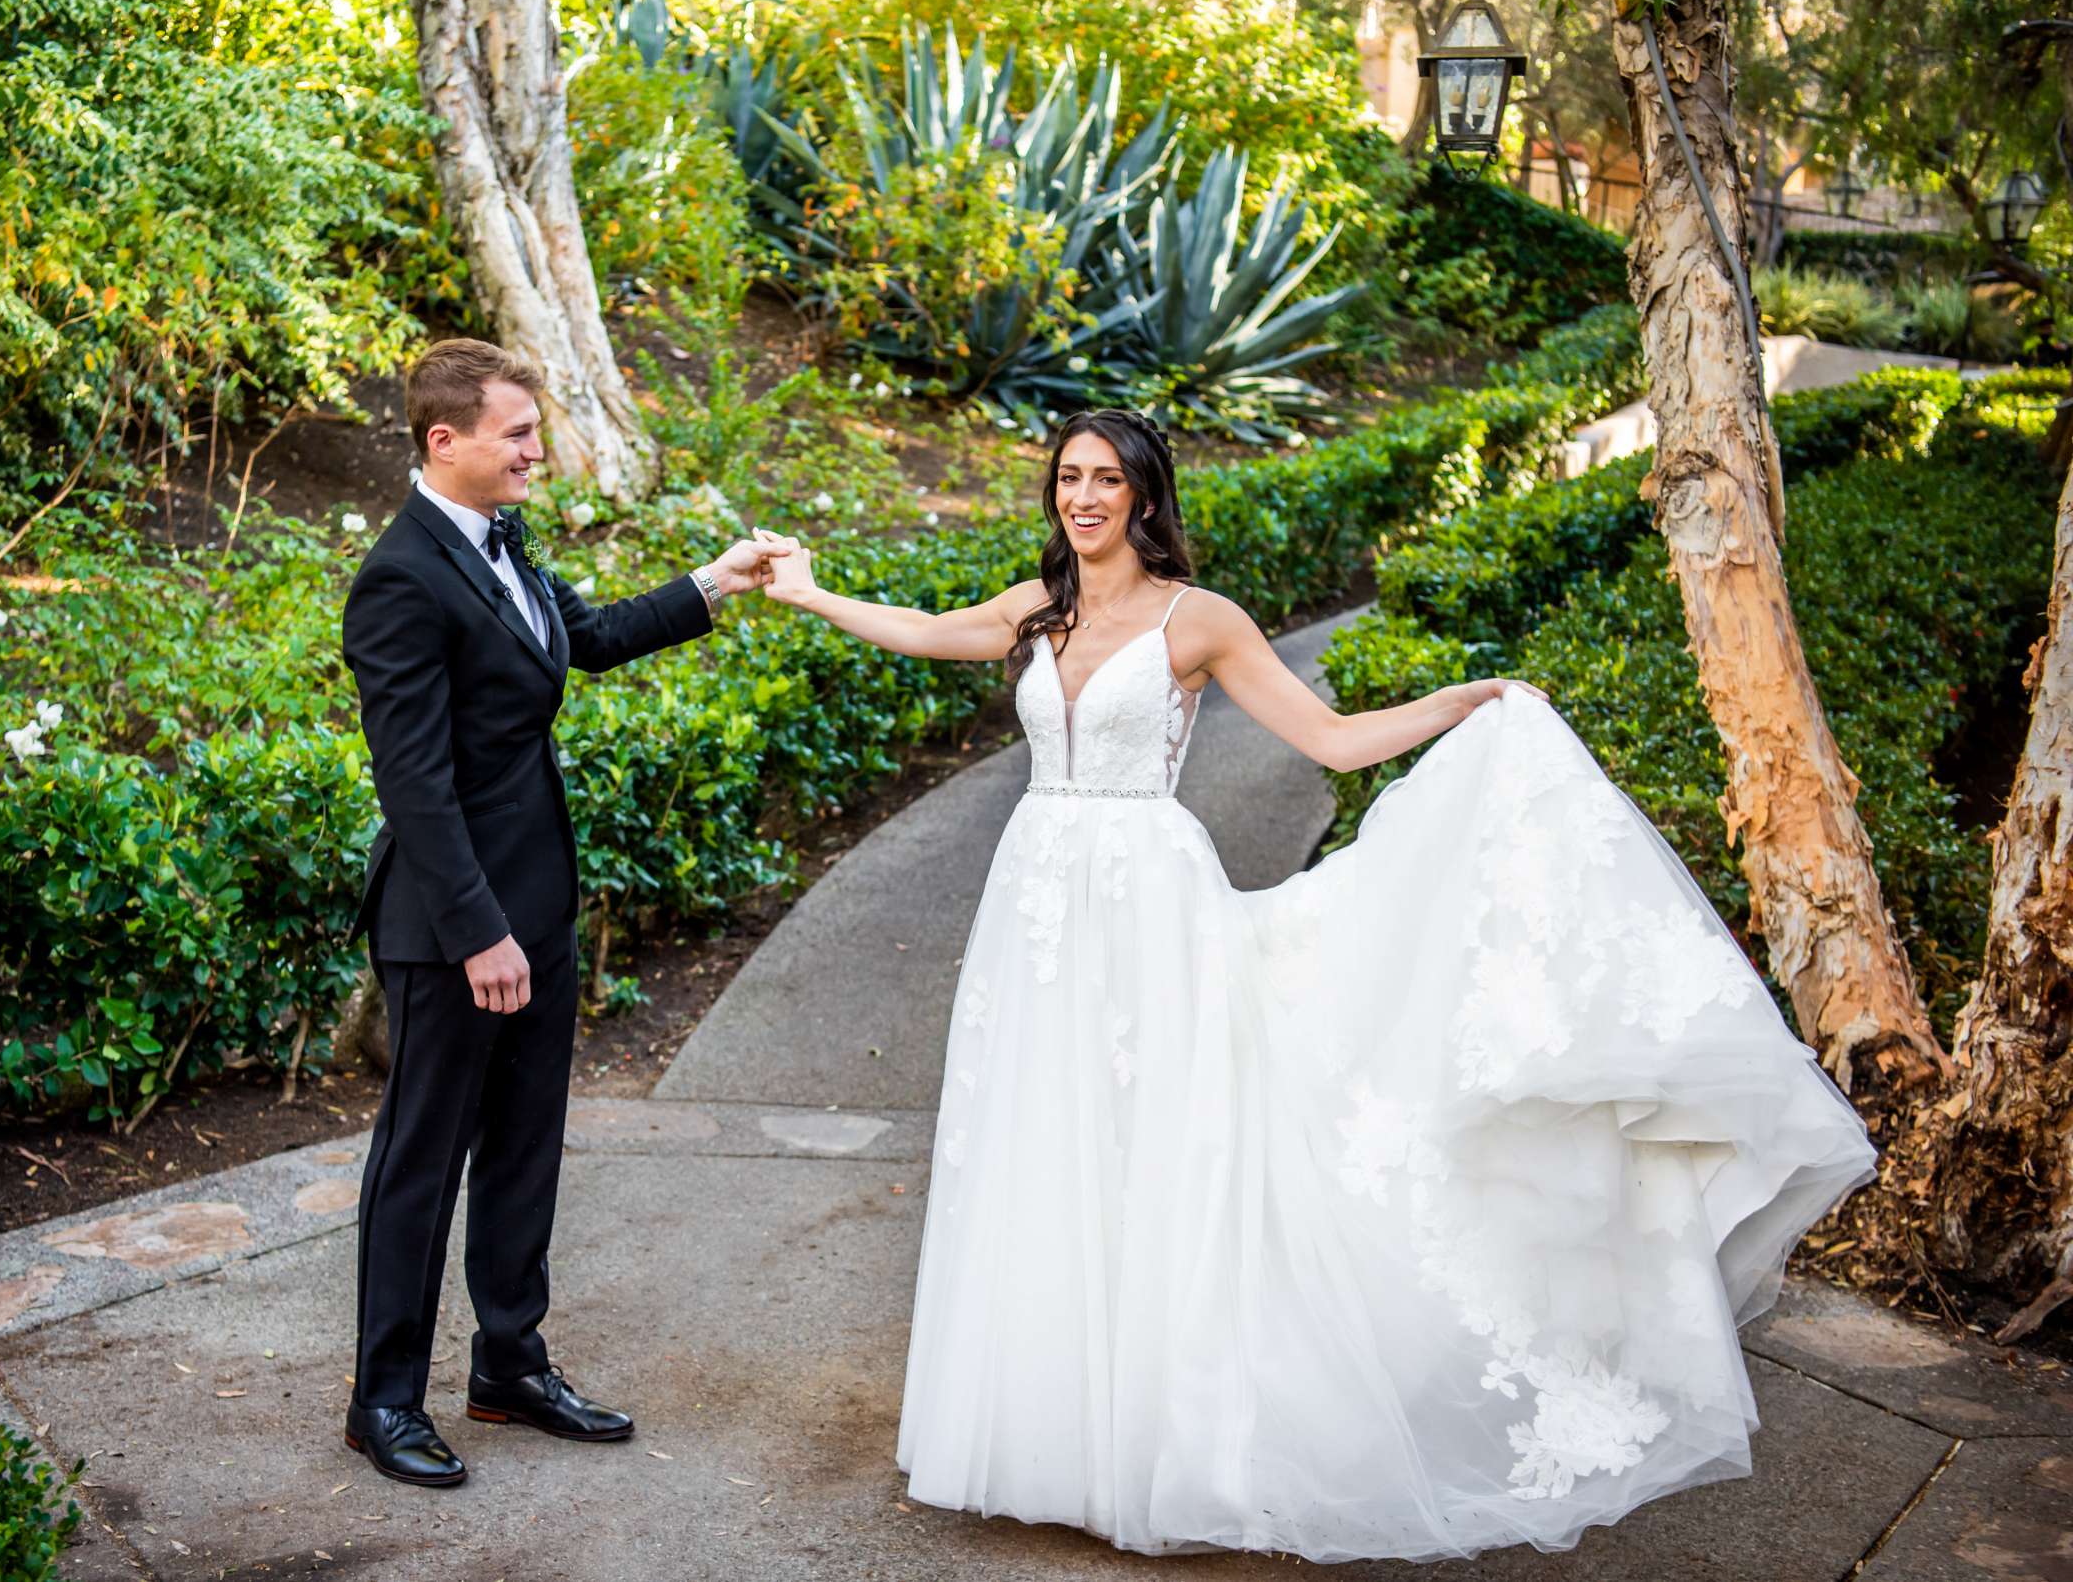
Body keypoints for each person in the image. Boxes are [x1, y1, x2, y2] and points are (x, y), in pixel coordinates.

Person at [751, 406, 1876, 1560]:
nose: (1082, 498)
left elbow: (1332, 742)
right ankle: (1049, 1433)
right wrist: (806, 592)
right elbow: (930, 629)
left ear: (1145, 495)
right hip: (1035, 907)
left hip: (1150, 907)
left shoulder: (1200, 621)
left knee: (1164, 1155)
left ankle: (1166, 1443)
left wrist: (1463, 706)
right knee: (1048, 1146)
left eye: (1105, 480)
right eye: (1068, 479)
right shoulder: (1037, 612)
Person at [339, 338, 790, 1487]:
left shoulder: (503, 541)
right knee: (421, 1161)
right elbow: (416, 783)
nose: (540, 451)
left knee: (527, 1145)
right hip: (453, 927)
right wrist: (478, 930)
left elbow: (579, 642)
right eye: (519, 435)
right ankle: (383, 1400)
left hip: (537, 903)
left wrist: (713, 583)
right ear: (447, 442)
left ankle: (508, 1366)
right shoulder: (399, 579)